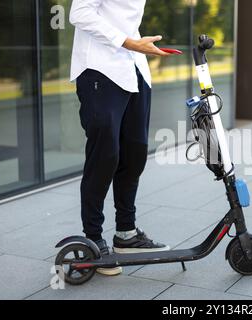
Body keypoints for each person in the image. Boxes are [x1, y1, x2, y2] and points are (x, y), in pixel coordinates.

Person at [69, 0, 171, 276]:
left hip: (134, 69)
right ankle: (93, 237)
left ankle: (126, 233)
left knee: (135, 152)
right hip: (99, 70)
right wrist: (128, 42)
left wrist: (135, 45)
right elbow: (79, 13)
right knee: (105, 156)